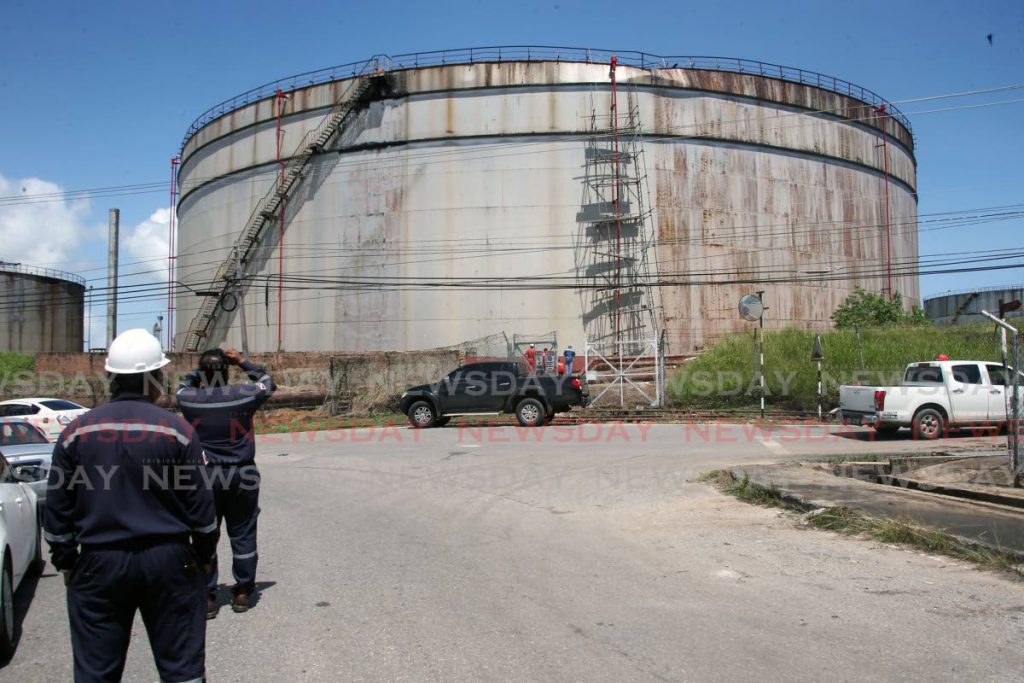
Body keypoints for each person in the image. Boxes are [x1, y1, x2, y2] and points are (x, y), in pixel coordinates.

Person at [44, 328, 217, 683]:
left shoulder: (76, 432)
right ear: (155, 378)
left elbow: (58, 508)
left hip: (99, 563)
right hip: (169, 561)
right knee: (182, 670)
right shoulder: (177, 431)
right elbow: (201, 510)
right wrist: (202, 556)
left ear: (110, 377)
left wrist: (66, 559)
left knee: (96, 673)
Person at [176, 347, 275, 617]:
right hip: (242, 474)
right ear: (227, 371)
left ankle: (207, 595)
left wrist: (204, 368)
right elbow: (267, 382)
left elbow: (182, 385)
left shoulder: (190, 399)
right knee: (242, 531)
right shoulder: (242, 395)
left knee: (205, 533)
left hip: (205, 477)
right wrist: (241, 361)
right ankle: (243, 591)